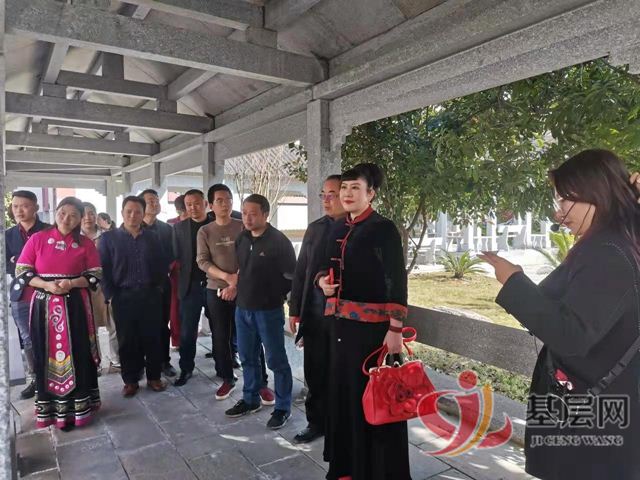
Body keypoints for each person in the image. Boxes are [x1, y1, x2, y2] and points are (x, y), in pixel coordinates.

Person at [480, 149, 640, 480]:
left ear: (596, 194)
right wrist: (517, 281)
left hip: (593, 409)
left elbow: (571, 334)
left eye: (566, 199)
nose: (559, 212)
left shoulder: (608, 252)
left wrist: (513, 282)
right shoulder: (611, 242)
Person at [318, 163, 411, 480]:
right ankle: (347, 467)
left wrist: (395, 329)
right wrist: (322, 282)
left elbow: (396, 281)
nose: (346, 193)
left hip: (372, 334)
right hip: (339, 329)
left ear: (371, 193)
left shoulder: (384, 229)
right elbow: (323, 269)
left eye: (355, 187)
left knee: (375, 398)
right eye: (344, 188)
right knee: (344, 395)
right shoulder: (337, 227)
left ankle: (378, 472)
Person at [14, 197, 102, 430]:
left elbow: (95, 275)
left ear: (80, 219)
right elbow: (23, 272)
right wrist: (46, 285)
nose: (66, 219)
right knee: (46, 353)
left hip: (76, 307)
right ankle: (52, 412)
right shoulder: (38, 239)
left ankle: (79, 410)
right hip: (43, 307)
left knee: (78, 352)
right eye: (63, 213)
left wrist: (71, 283)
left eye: (73, 215)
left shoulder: (85, 243)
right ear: (56, 212)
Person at [224, 194, 296, 430]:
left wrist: (275, 296)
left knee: (276, 360)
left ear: (266, 214)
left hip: (268, 311)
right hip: (243, 309)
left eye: (253, 213)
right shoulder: (242, 238)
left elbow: (291, 277)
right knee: (247, 357)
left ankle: (283, 407)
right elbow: (242, 270)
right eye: (245, 213)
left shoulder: (278, 241)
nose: (247, 218)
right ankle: (250, 399)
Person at [289, 175, 345, 444]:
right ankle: (316, 422)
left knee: (340, 374)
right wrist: (294, 310)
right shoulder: (315, 229)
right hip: (313, 313)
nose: (326, 199)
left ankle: (341, 425)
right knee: (314, 371)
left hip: (343, 318)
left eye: (332, 194)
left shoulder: (355, 229)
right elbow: (302, 271)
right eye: (323, 194)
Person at [99, 196, 169, 397]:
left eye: (138, 211)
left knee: (152, 337)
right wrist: (111, 295)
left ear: (143, 214)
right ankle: (130, 380)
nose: (133, 215)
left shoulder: (152, 237)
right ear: (122, 213)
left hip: (150, 295)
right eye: (129, 211)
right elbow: (103, 269)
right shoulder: (109, 238)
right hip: (123, 296)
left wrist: (158, 288)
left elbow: (162, 264)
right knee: (127, 340)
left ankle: (154, 377)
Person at [5, 190, 49, 399]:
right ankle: (36, 379)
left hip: (48, 292)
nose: (19, 210)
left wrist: (20, 262)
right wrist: (17, 265)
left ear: (36, 207)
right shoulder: (8, 235)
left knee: (53, 336)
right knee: (28, 338)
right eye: (15, 206)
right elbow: (5, 264)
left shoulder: (49, 231)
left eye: (24, 205)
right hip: (21, 295)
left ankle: (57, 378)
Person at [172, 189, 214, 386]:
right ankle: (186, 368)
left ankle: (225, 365)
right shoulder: (179, 228)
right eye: (189, 204)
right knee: (188, 331)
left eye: (197, 203)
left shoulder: (216, 224)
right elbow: (175, 255)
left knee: (220, 328)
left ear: (205, 204)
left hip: (214, 284)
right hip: (190, 286)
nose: (193, 208)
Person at [139, 189, 177, 378]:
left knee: (162, 324)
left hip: (161, 284)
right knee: (138, 325)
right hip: (137, 285)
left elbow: (173, 254)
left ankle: (164, 361)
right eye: (150, 201)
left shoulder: (167, 229)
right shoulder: (133, 227)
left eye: (156, 200)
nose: (154, 204)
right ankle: (140, 363)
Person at [81, 202, 120, 373]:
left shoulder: (108, 236)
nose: (88, 218)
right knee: (89, 327)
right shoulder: (74, 238)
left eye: (91, 213)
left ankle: (116, 360)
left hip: (108, 285)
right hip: (85, 287)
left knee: (114, 324)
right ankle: (93, 362)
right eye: (84, 214)